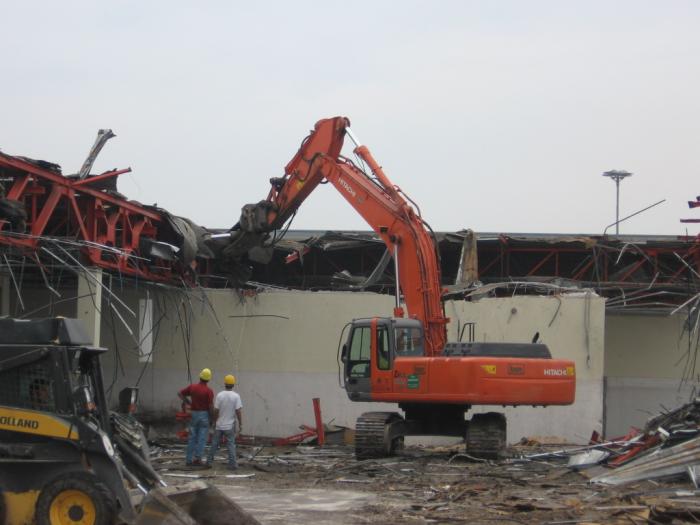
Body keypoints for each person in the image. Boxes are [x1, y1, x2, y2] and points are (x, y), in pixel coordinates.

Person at [178, 368, 214, 466]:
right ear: (208, 379)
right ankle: (198, 459)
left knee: (192, 437)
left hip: (194, 414)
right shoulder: (209, 391)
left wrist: (187, 402)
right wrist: (212, 419)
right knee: (202, 438)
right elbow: (210, 406)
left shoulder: (192, 387)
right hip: (204, 415)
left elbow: (180, 393)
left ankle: (189, 460)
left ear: (200, 376)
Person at [206, 374, 243, 470]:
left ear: (225, 383)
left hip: (219, 425)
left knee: (214, 443)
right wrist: (241, 423)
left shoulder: (220, 395)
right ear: (233, 384)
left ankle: (209, 462)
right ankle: (233, 464)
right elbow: (238, 411)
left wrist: (214, 422)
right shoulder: (236, 396)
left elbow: (216, 410)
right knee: (231, 445)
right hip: (230, 426)